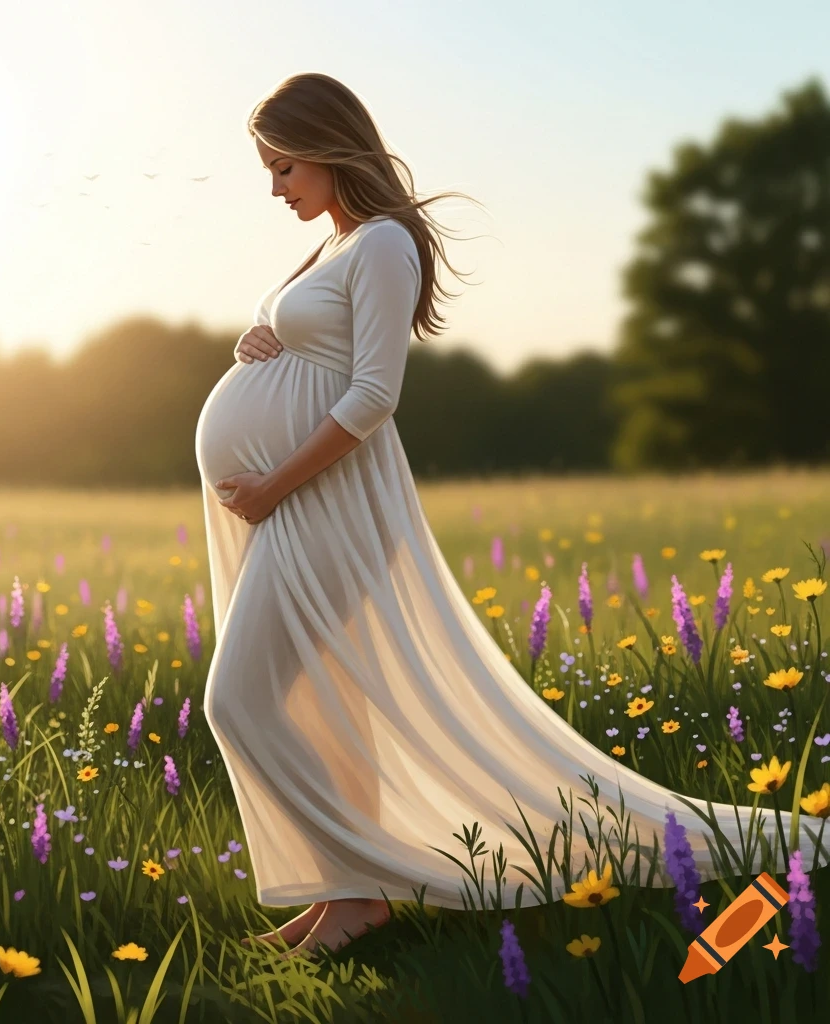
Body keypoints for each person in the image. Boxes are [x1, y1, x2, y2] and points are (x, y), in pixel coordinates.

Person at [194, 73, 821, 963]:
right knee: (323, 705)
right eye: (268, 168)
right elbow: (315, 349)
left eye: (284, 165)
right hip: (294, 505)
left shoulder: (382, 243)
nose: (274, 187)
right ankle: (345, 897)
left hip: (326, 504)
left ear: (331, 148)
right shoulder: (334, 245)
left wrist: (272, 486)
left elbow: (373, 395)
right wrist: (255, 342)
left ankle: (363, 889)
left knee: (236, 700)